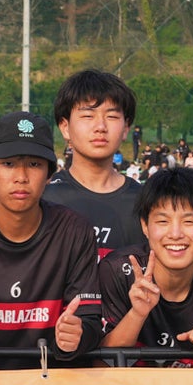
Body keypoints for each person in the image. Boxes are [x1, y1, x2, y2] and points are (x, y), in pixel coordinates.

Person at [0, 111, 103, 369]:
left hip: (49, 383)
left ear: (50, 174)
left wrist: (75, 337)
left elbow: (89, 320)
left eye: (34, 164)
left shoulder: (74, 230)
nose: (21, 177)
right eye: (8, 164)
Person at [99, 167, 193, 363]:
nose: (175, 234)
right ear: (145, 226)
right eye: (163, 221)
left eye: (188, 221)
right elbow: (100, 363)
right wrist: (137, 314)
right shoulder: (116, 271)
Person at [43, 69, 143, 259]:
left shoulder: (145, 203)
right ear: (65, 127)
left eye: (112, 116)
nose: (100, 127)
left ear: (126, 128)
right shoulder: (43, 199)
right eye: (88, 116)